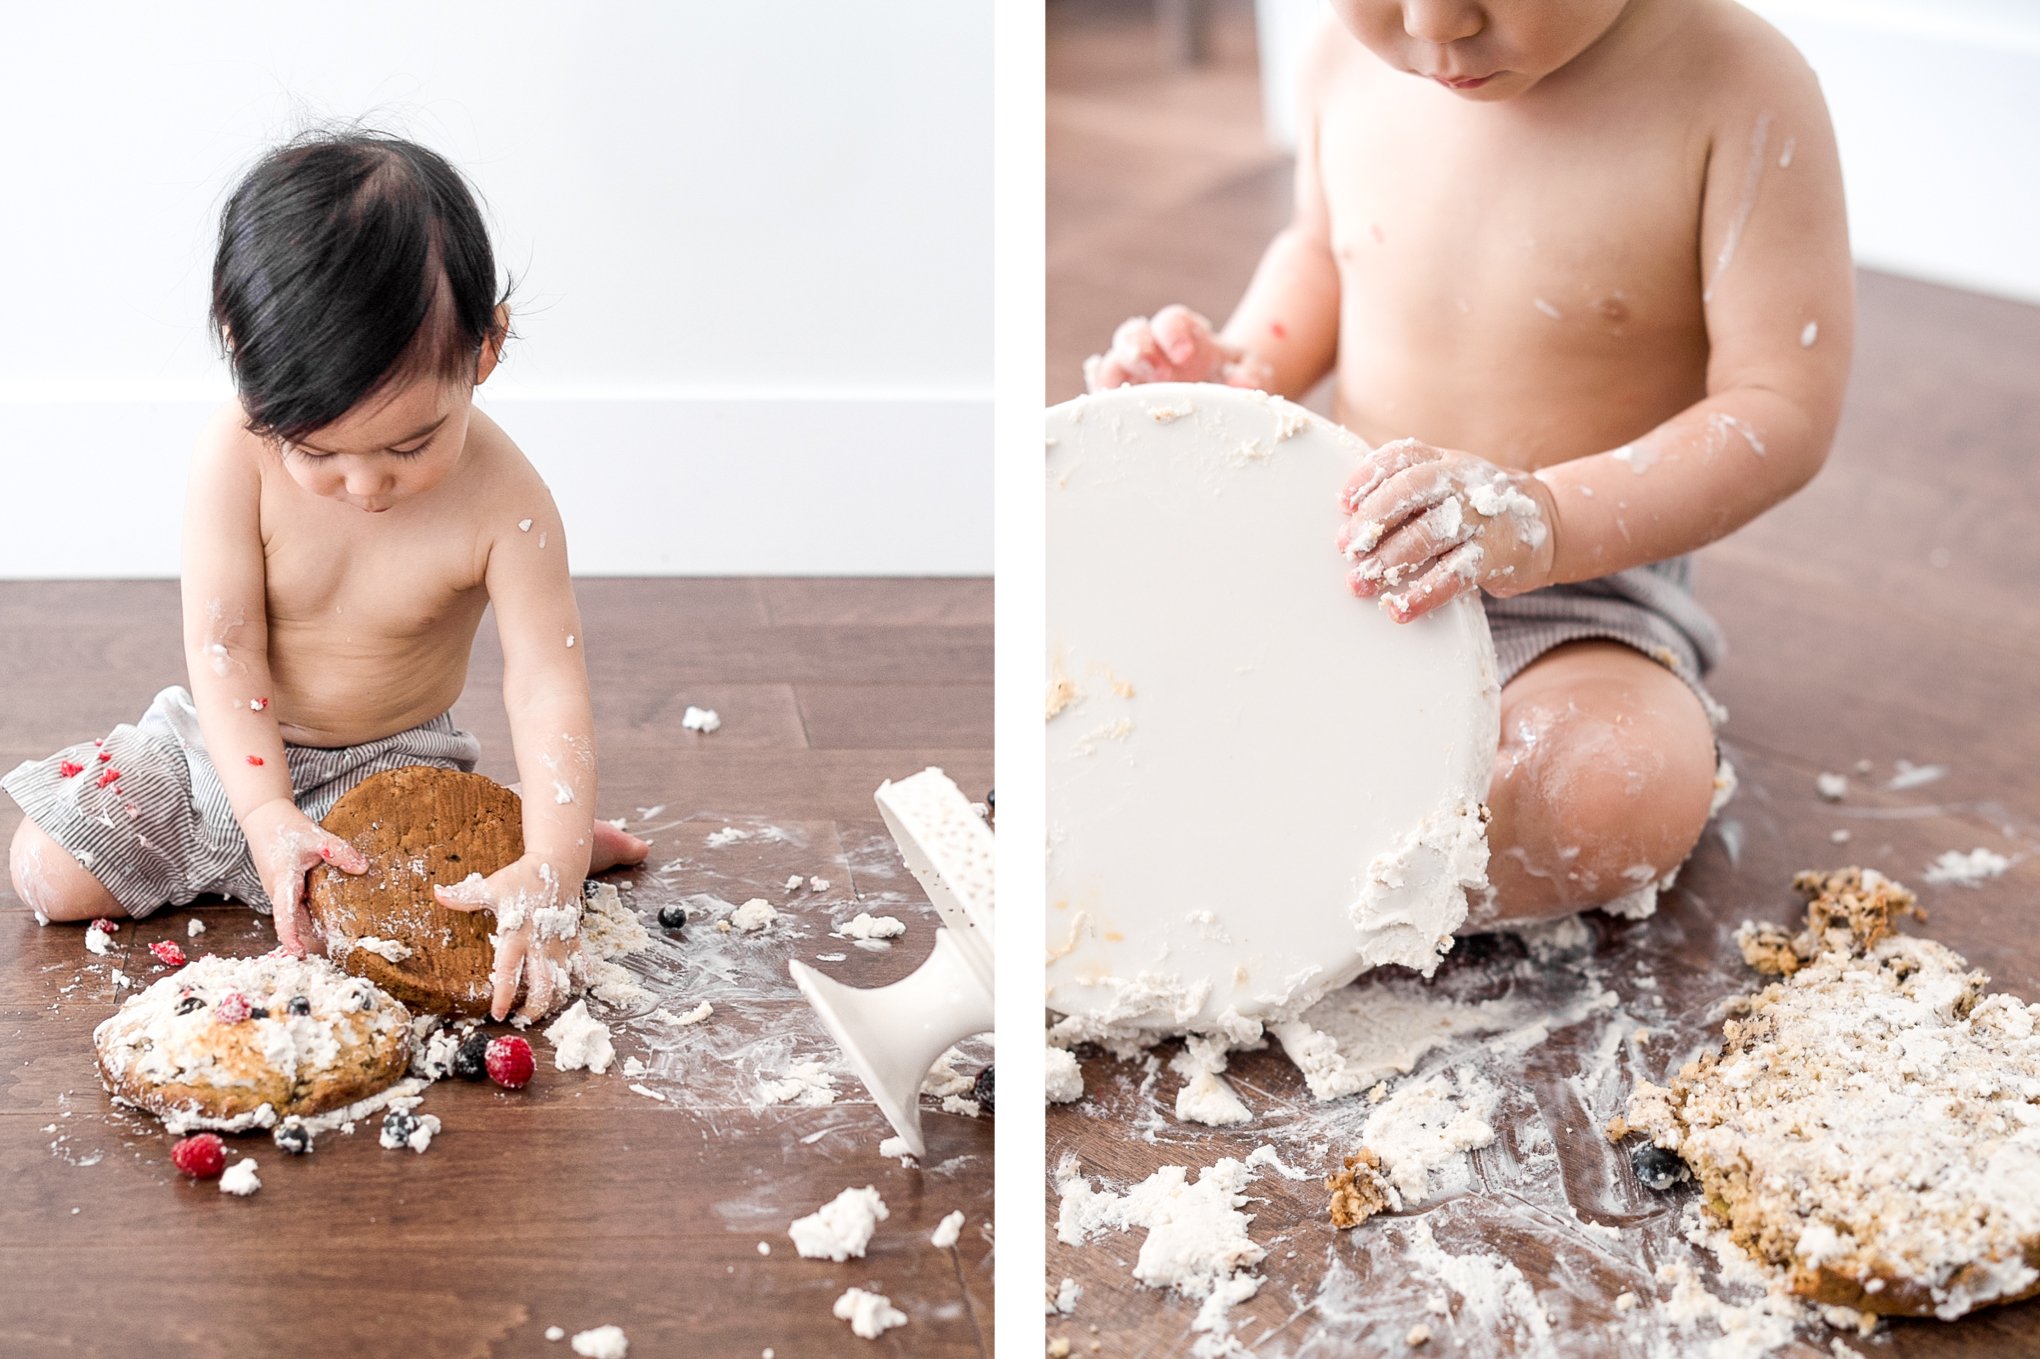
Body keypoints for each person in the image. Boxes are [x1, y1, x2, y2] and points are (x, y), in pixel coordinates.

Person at [1084, 0, 1852, 921]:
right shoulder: (1344, 60)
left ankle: (1312, 894)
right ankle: (1228, 812)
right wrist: (1237, 368)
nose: (1436, 24)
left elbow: (1780, 409)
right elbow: (1326, 257)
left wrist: (1547, 518)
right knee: (1119, 626)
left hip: (1572, 603)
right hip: (1348, 561)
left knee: (1619, 784)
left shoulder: (1736, 87)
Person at [5, 130, 649, 1018]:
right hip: (222, 748)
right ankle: (275, 856)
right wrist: (264, 813)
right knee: (43, 870)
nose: (365, 483)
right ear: (246, 363)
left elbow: (545, 685)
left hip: (387, 764)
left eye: (410, 443)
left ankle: (538, 837)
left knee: (429, 928)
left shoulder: (509, 502)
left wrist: (553, 863)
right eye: (316, 449)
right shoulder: (233, 456)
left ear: (484, 351)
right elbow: (224, 645)